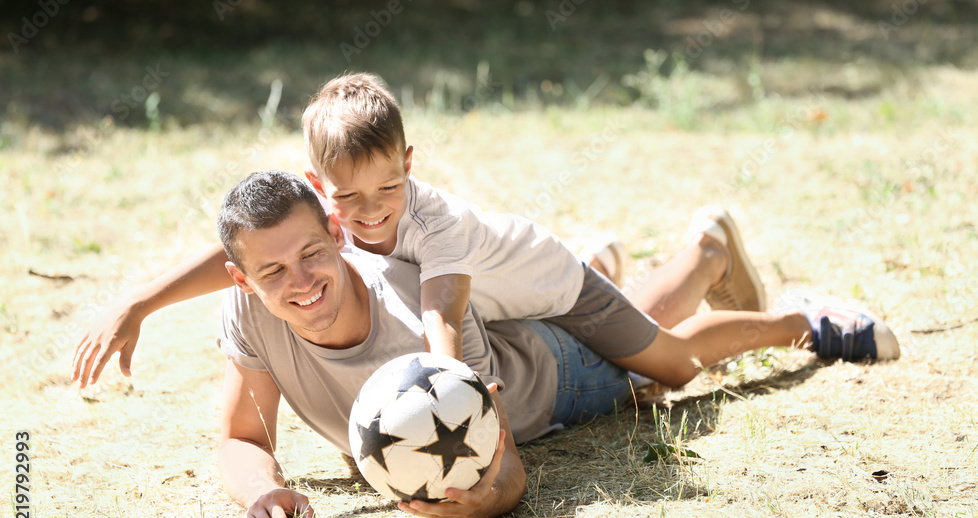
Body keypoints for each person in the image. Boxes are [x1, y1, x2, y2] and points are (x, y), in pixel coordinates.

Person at [111, 170, 895, 518]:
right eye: (273, 271)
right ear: (242, 278)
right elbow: (242, 439)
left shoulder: (422, 312)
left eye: (312, 254)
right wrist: (264, 492)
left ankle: (783, 308)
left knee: (669, 367)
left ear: (339, 236)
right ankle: (650, 258)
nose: (301, 282)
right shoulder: (248, 308)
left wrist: (484, 502)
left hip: (551, 380)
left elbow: (510, 467)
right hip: (523, 329)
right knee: (640, 324)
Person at [72, 72, 896, 393]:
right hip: (507, 310)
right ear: (323, 191)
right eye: (350, 202)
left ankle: (796, 317)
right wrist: (142, 299)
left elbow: (441, 304)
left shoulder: (432, 221)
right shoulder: (327, 219)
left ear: (410, 164)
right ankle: (691, 250)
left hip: (550, 285)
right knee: (637, 338)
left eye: (388, 188)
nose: (370, 215)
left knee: (669, 367)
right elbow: (250, 260)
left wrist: (440, 372)